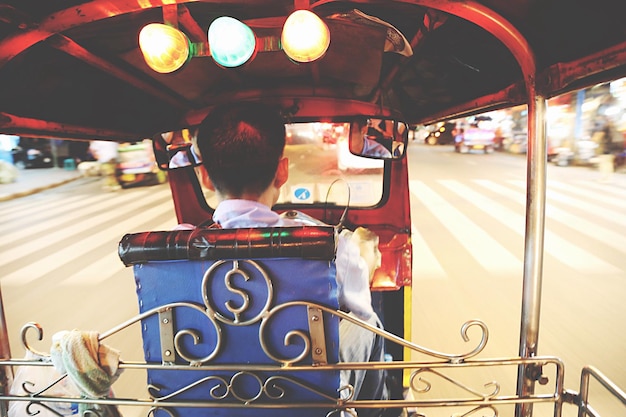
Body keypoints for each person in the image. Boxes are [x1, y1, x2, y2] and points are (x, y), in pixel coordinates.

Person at [191, 102, 393, 417]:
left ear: (204, 176)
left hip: (204, 402)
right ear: (282, 171)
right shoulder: (332, 247)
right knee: (368, 324)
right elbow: (358, 317)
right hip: (304, 402)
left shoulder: (169, 250)